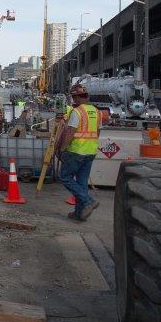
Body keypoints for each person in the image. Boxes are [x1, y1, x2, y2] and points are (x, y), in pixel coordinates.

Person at [56, 82, 100, 221]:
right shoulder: (96, 111)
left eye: (74, 98)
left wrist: (62, 148)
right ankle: (79, 214)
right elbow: (98, 131)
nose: (73, 101)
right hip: (91, 152)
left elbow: (70, 132)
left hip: (76, 151)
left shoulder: (77, 112)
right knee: (81, 182)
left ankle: (88, 201)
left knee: (65, 177)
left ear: (77, 97)